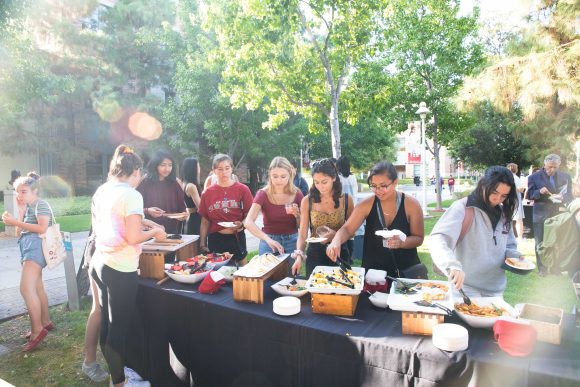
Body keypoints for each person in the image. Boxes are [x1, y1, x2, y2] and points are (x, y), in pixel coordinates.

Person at [91, 145, 166, 387]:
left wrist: (143, 220)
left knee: (107, 324)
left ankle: (117, 376)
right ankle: (121, 382)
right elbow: (133, 238)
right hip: (120, 269)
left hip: (100, 262)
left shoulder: (102, 190)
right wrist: (155, 232)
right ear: (135, 171)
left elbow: (113, 218)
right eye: (140, 175)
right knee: (118, 329)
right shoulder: (132, 194)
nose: (140, 180)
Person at [428, 166, 524, 297]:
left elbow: (508, 245)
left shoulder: (503, 214)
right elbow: (438, 239)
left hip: (496, 291)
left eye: (503, 196)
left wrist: (515, 256)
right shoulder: (462, 208)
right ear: (484, 185)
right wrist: (451, 265)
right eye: (494, 193)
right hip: (464, 289)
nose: (497, 200)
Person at [326, 161, 425, 278]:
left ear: (395, 182)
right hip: (374, 273)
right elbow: (347, 229)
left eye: (383, 186)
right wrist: (336, 241)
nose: (378, 190)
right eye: (373, 186)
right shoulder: (366, 204)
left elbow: (418, 238)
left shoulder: (411, 205)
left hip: (405, 271)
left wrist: (402, 243)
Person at [2, 172, 54, 352]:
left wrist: (15, 220)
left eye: (23, 191)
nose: (19, 195)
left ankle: (37, 330)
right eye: (17, 192)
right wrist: (21, 212)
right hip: (28, 246)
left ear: (35, 190)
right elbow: (19, 233)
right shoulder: (31, 207)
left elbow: (41, 228)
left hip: (35, 247)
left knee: (25, 289)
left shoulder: (41, 204)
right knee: (37, 287)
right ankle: (45, 322)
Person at [291, 158, 354, 276]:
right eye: (316, 182)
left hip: (339, 251)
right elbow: (303, 234)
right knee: (316, 292)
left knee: (341, 289)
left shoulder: (346, 199)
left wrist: (335, 236)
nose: (320, 187)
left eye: (324, 182)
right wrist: (299, 256)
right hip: (315, 253)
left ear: (334, 178)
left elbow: (352, 231)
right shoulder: (307, 201)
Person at [244, 157, 303, 265]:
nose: (279, 180)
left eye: (283, 176)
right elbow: (248, 222)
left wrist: (297, 216)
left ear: (290, 175)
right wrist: (267, 239)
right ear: (269, 175)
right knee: (267, 279)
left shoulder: (297, 194)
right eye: (275, 176)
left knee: (291, 279)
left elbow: (302, 226)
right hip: (269, 241)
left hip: (292, 241)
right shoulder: (262, 194)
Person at [199, 154, 253, 264]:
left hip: (237, 236)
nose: (224, 172)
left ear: (232, 169)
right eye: (220, 169)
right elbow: (205, 221)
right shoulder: (207, 193)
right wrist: (202, 243)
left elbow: (250, 215)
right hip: (216, 238)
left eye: (227, 168)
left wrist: (242, 224)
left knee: (242, 270)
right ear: (214, 171)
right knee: (217, 273)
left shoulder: (243, 189)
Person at [527, 154, 573, 276]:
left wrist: (563, 197)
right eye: (549, 167)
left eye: (554, 167)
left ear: (559, 165)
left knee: (557, 241)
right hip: (540, 214)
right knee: (540, 242)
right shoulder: (534, 177)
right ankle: (542, 269)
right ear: (544, 164)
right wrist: (539, 192)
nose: (551, 170)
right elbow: (529, 195)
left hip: (558, 214)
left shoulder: (565, 177)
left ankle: (555, 268)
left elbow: (570, 195)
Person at [137, 150, 187, 234]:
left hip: (171, 231)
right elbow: (134, 210)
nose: (167, 169)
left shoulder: (175, 183)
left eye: (170, 165)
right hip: (149, 230)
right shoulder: (145, 182)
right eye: (163, 165)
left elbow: (182, 208)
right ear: (155, 165)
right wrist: (147, 210)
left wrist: (183, 216)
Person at [336, 156, 359, 260]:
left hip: (342, 206)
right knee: (351, 231)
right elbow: (355, 192)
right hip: (353, 205)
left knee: (343, 229)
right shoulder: (353, 177)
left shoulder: (338, 177)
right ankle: (350, 256)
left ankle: (345, 253)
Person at [180, 157, 202, 235]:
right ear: (193, 168)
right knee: (195, 245)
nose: (199, 169)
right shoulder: (191, 186)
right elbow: (200, 206)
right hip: (195, 219)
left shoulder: (184, 183)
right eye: (198, 166)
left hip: (189, 218)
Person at [507, 163, 525, 242]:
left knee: (508, 219)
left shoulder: (507, 178)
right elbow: (520, 189)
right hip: (516, 200)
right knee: (518, 220)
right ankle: (520, 237)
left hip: (508, 200)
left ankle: (509, 237)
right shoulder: (516, 178)